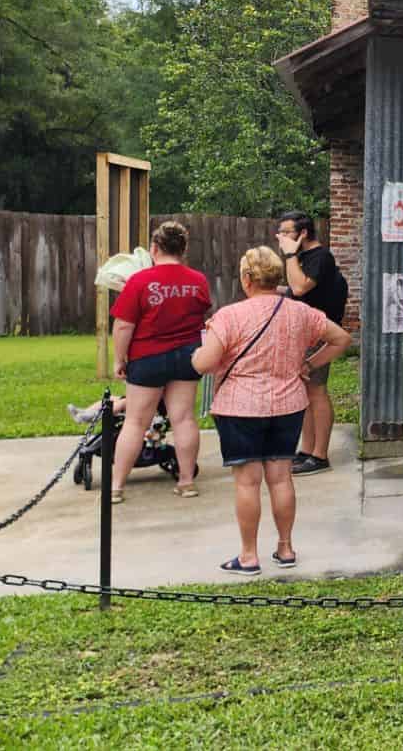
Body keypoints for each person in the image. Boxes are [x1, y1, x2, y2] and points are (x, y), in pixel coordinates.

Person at [192, 247, 351, 576]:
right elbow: (341, 339)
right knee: (281, 478)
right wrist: (309, 363)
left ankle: (248, 556)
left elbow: (205, 363)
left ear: (247, 279)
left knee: (247, 483)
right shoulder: (300, 313)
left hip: (240, 407)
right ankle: (286, 547)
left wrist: (200, 349)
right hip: (288, 403)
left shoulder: (229, 316)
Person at [106, 220, 209, 503]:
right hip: (187, 357)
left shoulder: (139, 281)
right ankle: (187, 482)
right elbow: (201, 317)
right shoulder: (198, 280)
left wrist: (119, 359)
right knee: (183, 418)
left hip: (147, 357)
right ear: (184, 248)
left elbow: (123, 326)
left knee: (136, 422)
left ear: (154, 248)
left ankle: (116, 487)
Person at [275, 211, 348, 476]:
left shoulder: (319, 257)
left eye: (285, 232)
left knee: (316, 392)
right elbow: (294, 290)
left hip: (320, 334)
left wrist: (290, 256)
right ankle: (306, 450)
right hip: (303, 333)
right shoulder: (306, 258)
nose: (280, 237)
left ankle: (320, 455)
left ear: (303, 233)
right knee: (305, 393)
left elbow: (301, 287)